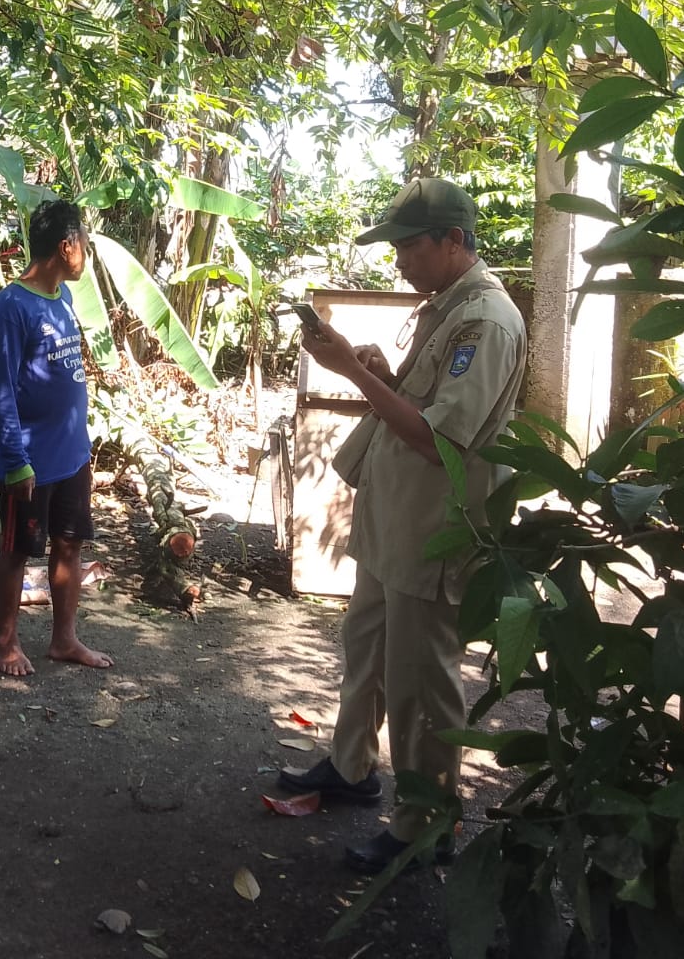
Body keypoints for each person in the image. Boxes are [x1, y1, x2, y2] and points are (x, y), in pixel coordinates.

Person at [278, 177, 527, 875]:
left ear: (454, 241)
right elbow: (422, 403)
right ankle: (350, 766)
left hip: (433, 530)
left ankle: (426, 823)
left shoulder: (486, 321)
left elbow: (438, 438)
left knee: (421, 683)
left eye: (409, 246)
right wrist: (380, 373)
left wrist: (352, 375)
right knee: (367, 650)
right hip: (396, 521)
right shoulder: (447, 308)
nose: (400, 261)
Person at [0, 199, 111, 678]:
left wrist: (82, 444)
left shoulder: (64, 299)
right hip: (30, 461)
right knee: (16, 551)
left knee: (70, 545)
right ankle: (7, 642)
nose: (86, 256)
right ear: (66, 246)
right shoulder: (10, 307)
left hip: (71, 455)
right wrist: (15, 461)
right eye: (85, 245)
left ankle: (64, 640)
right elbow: (1, 393)